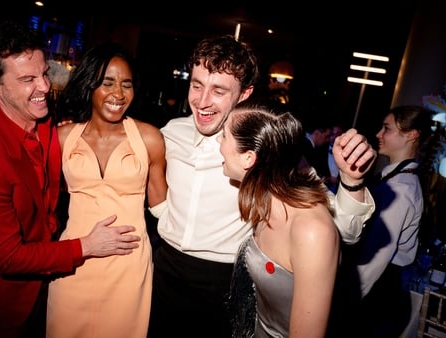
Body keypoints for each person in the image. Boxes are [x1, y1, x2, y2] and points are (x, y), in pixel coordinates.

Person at [147, 35, 377, 338]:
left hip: (225, 283)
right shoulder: (170, 133)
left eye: (218, 90)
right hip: (164, 271)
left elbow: (344, 230)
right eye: (197, 85)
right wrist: (165, 215)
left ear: (245, 93)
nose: (202, 101)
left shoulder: (267, 152)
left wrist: (352, 181)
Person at [0, 21, 142, 338]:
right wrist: (87, 246)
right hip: (3, 306)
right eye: (28, 79)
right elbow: (9, 257)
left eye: (44, 73)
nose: (44, 86)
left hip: (50, 288)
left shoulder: (44, 121)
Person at [45, 41, 167, 338]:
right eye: (107, 82)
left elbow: (163, 209)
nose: (118, 93)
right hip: (74, 261)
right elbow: (43, 199)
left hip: (128, 265)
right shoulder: (62, 137)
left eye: (126, 84)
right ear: (90, 85)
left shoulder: (149, 138)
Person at [219, 103, 339, 337]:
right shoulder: (268, 203)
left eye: (224, 136)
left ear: (248, 158)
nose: (219, 144)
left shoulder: (311, 231)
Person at [339, 105, 437, 337]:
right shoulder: (396, 178)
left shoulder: (400, 188)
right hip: (383, 288)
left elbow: (377, 256)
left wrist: (347, 298)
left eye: (387, 128)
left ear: (411, 135)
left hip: (379, 292)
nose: (378, 134)